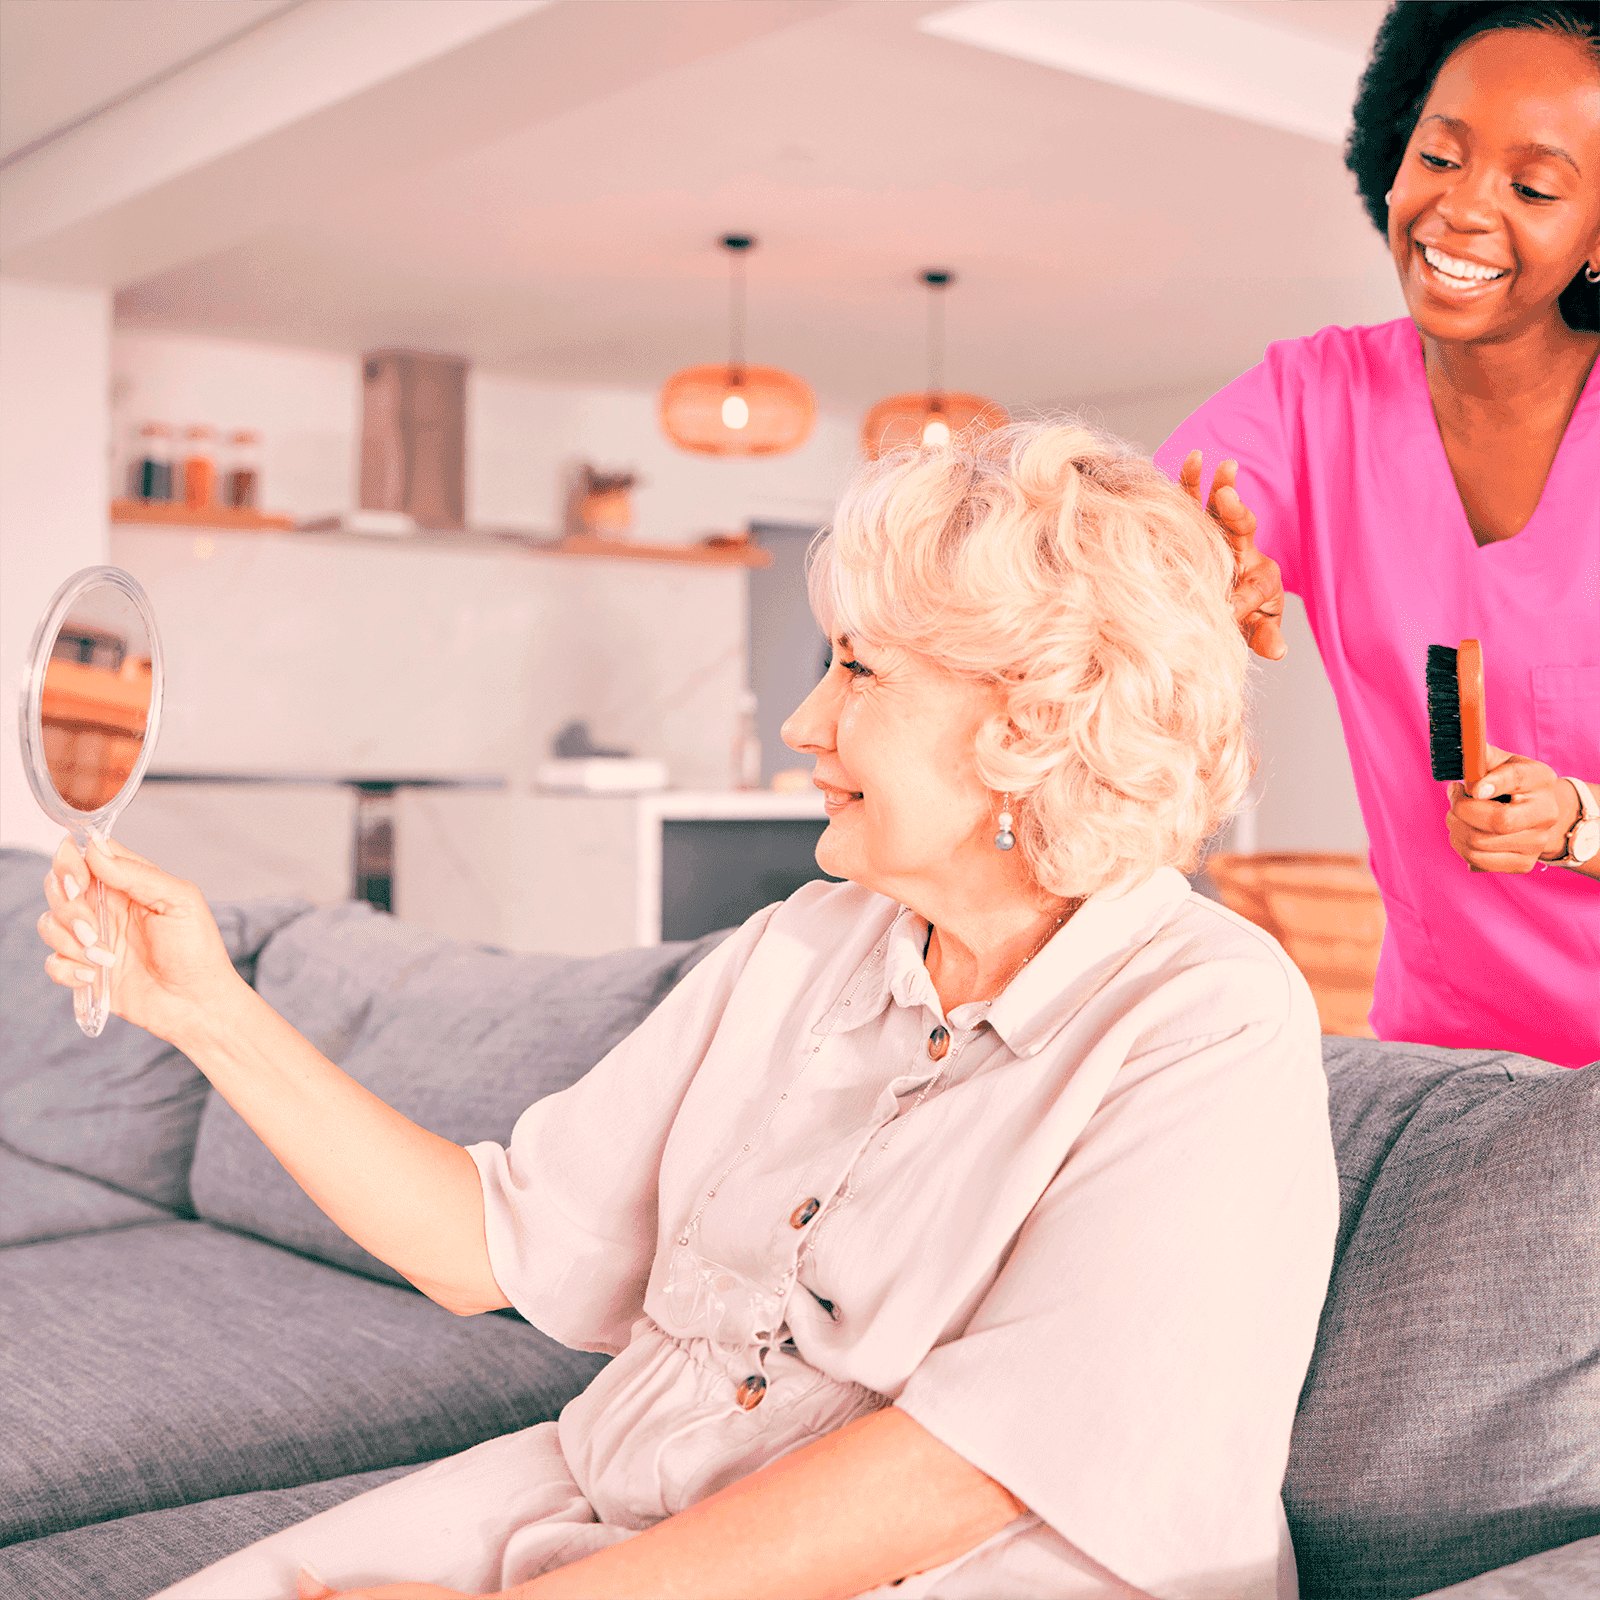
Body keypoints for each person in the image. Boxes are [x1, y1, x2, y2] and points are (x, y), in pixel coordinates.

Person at [39, 422, 1338, 1600]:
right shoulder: (804, 950)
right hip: (622, 1514)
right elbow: (477, 1248)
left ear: (1029, 724)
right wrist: (207, 1009)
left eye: (857, 670)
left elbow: (974, 1470)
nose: (802, 724)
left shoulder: (1209, 1017)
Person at [1157, 0, 1600, 1069]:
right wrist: (1192, 574)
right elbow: (1137, 533)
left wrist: (1578, 823)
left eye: (1532, 187)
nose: (1458, 209)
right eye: (1436, 155)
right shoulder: (1317, 399)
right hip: (1449, 1062)